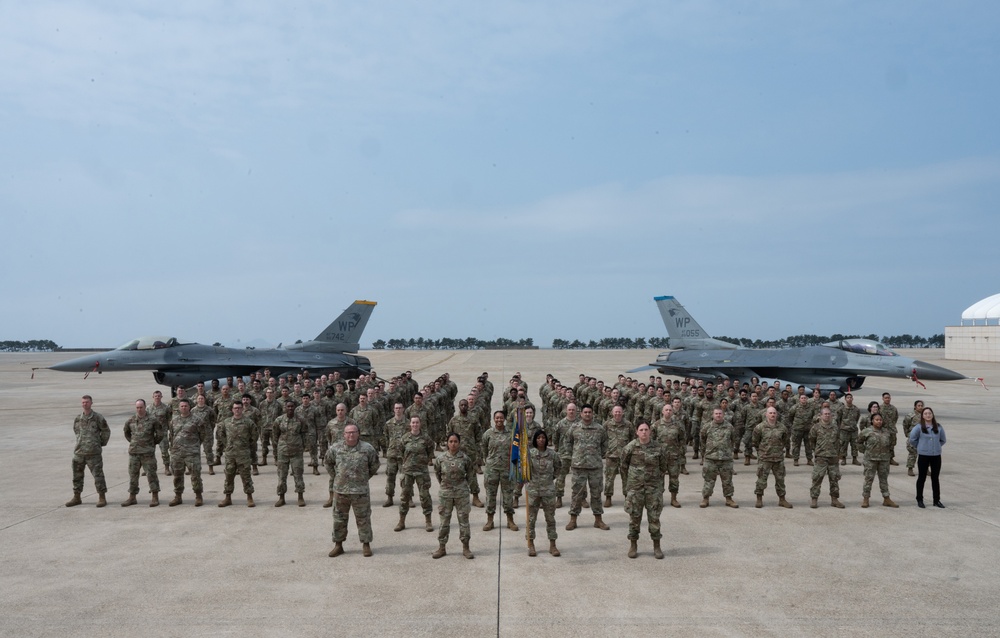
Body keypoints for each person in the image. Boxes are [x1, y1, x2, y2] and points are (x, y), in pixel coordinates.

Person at [325, 424, 380, 557]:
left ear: (358, 433)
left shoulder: (367, 448)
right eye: (348, 433)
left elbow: (374, 465)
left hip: (360, 491)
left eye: (353, 432)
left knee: (364, 519)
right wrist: (338, 477)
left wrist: (364, 478)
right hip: (340, 491)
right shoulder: (335, 448)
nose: (351, 435)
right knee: (339, 519)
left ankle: (366, 545)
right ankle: (338, 545)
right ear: (343, 434)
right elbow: (328, 463)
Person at [621, 422, 668, 559]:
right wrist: (628, 486)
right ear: (636, 432)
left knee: (654, 518)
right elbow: (623, 467)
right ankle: (633, 545)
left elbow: (663, 466)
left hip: (653, 489)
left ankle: (657, 546)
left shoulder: (659, 448)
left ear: (650, 431)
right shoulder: (630, 448)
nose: (644, 432)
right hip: (635, 489)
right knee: (634, 518)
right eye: (641, 430)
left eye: (646, 429)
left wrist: (657, 486)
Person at [432, 432, 476, 559]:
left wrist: (461, 487)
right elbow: (438, 474)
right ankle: (441, 547)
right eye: (450, 441)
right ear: (447, 443)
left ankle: (466, 547)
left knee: (464, 522)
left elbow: (470, 475)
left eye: (455, 441)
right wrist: (446, 486)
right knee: (444, 521)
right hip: (445, 494)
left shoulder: (465, 459)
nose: (453, 444)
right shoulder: (440, 459)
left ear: (459, 443)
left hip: (461, 493)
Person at [565, 405, 610, 531]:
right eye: (585, 412)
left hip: (595, 466)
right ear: (581, 414)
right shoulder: (574, 428)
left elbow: (605, 444)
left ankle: (598, 519)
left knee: (596, 494)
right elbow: (567, 442)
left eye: (589, 412)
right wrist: (573, 455)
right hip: (578, 466)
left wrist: (597, 456)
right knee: (576, 494)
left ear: (592, 414)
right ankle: (573, 519)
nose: (587, 414)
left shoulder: (599, 429)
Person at [66, 395, 111, 508]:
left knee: (98, 476)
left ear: (91, 403)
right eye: (83, 402)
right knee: (77, 476)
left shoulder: (97, 417)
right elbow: (76, 431)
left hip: (93, 453)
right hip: (79, 452)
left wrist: (99, 443)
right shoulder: (78, 418)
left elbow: (106, 431)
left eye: (87, 402)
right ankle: (77, 496)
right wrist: (81, 441)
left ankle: (102, 497)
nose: (85, 404)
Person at [394, 416, 436, 533]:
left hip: (421, 471)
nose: (415, 424)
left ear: (420, 424)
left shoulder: (426, 438)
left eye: (417, 422)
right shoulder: (405, 438)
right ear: (410, 424)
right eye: (413, 423)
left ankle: (428, 521)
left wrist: (423, 462)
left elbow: (430, 451)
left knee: (425, 497)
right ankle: (401, 521)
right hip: (407, 471)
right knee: (404, 497)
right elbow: (400, 452)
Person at [525, 430, 561, 557]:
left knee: (550, 518)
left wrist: (550, 479)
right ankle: (531, 544)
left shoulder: (552, 454)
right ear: (535, 440)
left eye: (543, 438)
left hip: (548, 491)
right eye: (539, 438)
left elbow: (558, 468)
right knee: (531, 519)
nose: (541, 440)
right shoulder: (529, 454)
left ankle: (553, 545)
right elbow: (524, 469)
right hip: (533, 490)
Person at [121, 399, 163, 507]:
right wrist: (134, 442)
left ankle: (155, 496)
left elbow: (160, 434)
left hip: (147, 453)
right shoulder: (130, 420)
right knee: (133, 475)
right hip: (134, 452)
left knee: (151, 474)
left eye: (141, 407)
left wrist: (151, 444)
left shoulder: (152, 420)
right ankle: (132, 497)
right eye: (137, 407)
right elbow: (126, 433)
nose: (139, 409)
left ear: (145, 407)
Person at [481, 410, 518, 532]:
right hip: (492, 469)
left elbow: (515, 449)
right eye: (497, 418)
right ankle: (490, 520)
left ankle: (510, 520)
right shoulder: (488, 434)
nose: (499, 420)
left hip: (507, 469)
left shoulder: (511, 433)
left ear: (504, 419)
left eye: (501, 418)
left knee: (508, 496)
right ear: (493, 419)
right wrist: (489, 462)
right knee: (491, 496)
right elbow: (484, 450)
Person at [217, 401, 258, 508]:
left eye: (239, 408)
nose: (237, 410)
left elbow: (254, 436)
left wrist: (246, 446)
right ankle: (228, 497)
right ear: (232, 410)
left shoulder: (248, 422)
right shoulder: (226, 422)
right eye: (235, 408)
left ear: (242, 409)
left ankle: (249, 497)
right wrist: (227, 445)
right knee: (229, 476)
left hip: (243, 454)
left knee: (246, 476)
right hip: (230, 454)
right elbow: (220, 434)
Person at [752, 407, 792, 508]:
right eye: (770, 413)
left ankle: (782, 499)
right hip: (765, 458)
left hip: (778, 458)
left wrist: (778, 449)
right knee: (761, 480)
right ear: (766, 414)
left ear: (777, 415)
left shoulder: (782, 427)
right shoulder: (760, 427)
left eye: (774, 413)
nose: (772, 415)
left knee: (780, 480)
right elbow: (755, 442)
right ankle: (759, 499)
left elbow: (785, 440)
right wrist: (762, 451)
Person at [168, 399, 205, 506]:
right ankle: (178, 496)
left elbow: (202, 435)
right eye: (182, 406)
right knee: (177, 475)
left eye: (185, 406)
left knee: (195, 475)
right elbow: (171, 435)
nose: (184, 408)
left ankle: (198, 496)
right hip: (177, 453)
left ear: (189, 407)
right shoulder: (174, 420)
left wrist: (194, 446)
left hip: (191, 452)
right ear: (179, 408)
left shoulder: (197, 420)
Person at [908, 407, 946, 508]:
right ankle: (919, 499)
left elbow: (943, 440)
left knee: (935, 478)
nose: (928, 415)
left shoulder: (938, 427)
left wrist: (936, 448)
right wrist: (921, 447)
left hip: (936, 456)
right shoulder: (918, 427)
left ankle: (936, 500)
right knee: (922, 477)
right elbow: (912, 439)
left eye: (929, 413)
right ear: (922, 416)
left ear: (932, 415)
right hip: (924, 456)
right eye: (925, 414)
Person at [700, 408, 738, 508]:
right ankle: (705, 498)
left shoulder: (729, 427)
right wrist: (706, 453)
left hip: (726, 459)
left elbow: (733, 440)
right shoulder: (707, 426)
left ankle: (729, 499)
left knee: (727, 480)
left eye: (720, 413)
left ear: (723, 415)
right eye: (716, 413)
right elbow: (702, 440)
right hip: (710, 458)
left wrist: (728, 451)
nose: (718, 415)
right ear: (713, 415)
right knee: (708, 480)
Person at [858, 414, 897, 508]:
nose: (879, 421)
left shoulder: (887, 432)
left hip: (884, 460)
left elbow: (891, 443)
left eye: (880, 420)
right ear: (872, 421)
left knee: (884, 479)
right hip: (870, 460)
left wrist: (888, 454)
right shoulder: (866, 431)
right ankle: (866, 498)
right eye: (877, 420)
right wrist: (865, 451)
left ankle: (886, 498)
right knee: (868, 479)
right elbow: (859, 442)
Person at [273, 399, 306, 507]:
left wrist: (302, 446)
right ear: (285, 408)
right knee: (282, 476)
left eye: (292, 406)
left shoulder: (300, 420)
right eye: (288, 406)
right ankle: (281, 497)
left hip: (297, 452)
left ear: (295, 407)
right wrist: (280, 446)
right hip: (283, 452)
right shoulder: (279, 420)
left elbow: (304, 433)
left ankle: (300, 497)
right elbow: (275, 435)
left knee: (298, 475)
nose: (290, 408)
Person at [808, 407, 844, 508]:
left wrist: (837, 453)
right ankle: (814, 499)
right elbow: (812, 440)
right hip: (821, 457)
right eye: (825, 414)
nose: (827, 416)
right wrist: (817, 450)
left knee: (834, 479)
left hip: (833, 457)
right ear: (821, 415)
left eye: (829, 414)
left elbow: (838, 440)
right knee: (817, 478)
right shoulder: (816, 427)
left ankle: (834, 499)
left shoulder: (835, 427)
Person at [603, 405, 634, 507]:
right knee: (609, 478)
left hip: (625, 457)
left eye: (619, 412)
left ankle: (627, 497)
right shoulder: (607, 424)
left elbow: (632, 439)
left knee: (626, 478)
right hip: (611, 456)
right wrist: (605, 450)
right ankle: (608, 497)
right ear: (612, 413)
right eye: (615, 412)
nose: (617, 414)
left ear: (622, 413)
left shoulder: (628, 425)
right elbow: (602, 439)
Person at [901, 400, 925, 477]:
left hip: (924, 438)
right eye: (919, 405)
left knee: (925, 454)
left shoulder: (926, 414)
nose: (920, 407)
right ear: (915, 406)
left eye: (922, 405)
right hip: (913, 437)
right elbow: (905, 425)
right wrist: (908, 434)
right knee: (912, 453)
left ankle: (926, 469)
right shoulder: (910, 415)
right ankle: (910, 468)